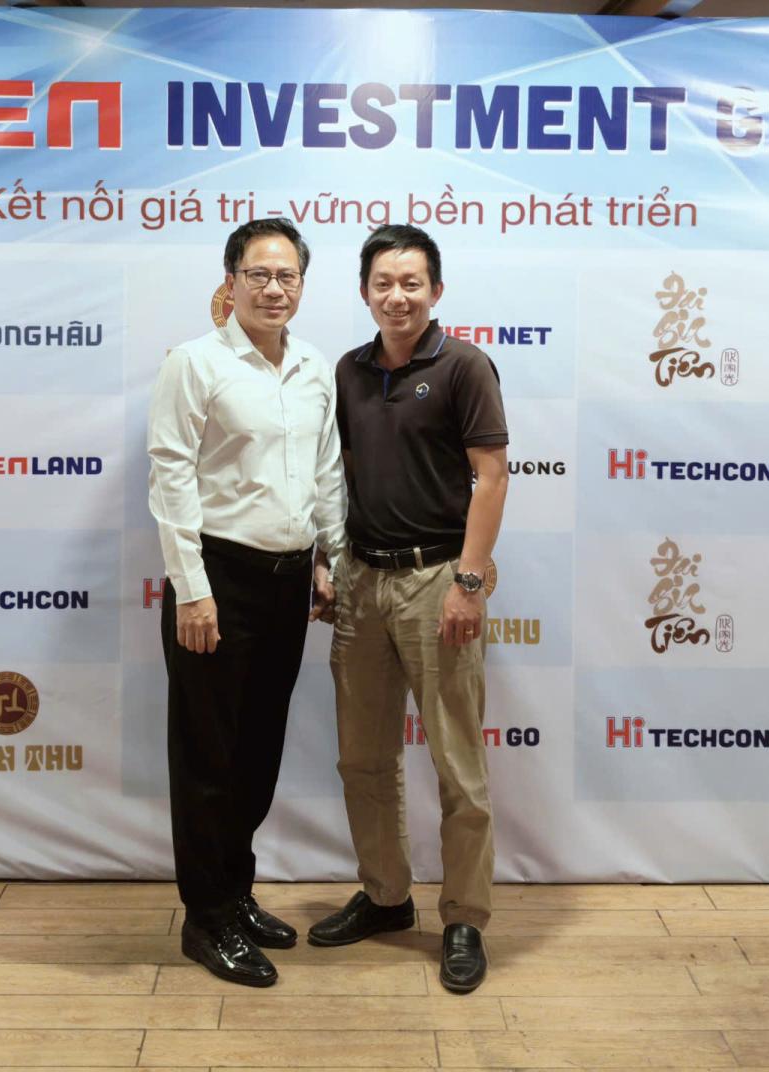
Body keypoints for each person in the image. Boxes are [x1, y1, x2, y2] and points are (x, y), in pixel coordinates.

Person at [310, 224, 508, 994]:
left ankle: (464, 918)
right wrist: (327, 559)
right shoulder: (349, 371)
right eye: (384, 284)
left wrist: (469, 580)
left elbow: (491, 476)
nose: (398, 297)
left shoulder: (464, 366)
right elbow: (340, 474)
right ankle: (387, 896)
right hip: (362, 579)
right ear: (364, 292)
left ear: (436, 290)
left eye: (412, 283)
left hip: (438, 579)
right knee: (363, 756)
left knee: (457, 761)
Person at [147, 218, 345, 987]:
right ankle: (205, 919)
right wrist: (191, 591)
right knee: (208, 756)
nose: (272, 288)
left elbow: (326, 472)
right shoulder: (194, 363)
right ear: (229, 283)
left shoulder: (314, 367)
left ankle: (235, 893)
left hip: (289, 581)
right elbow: (171, 477)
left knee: (258, 751)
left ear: (302, 285)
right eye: (257, 274)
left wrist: (329, 559)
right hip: (217, 581)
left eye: (286, 275)